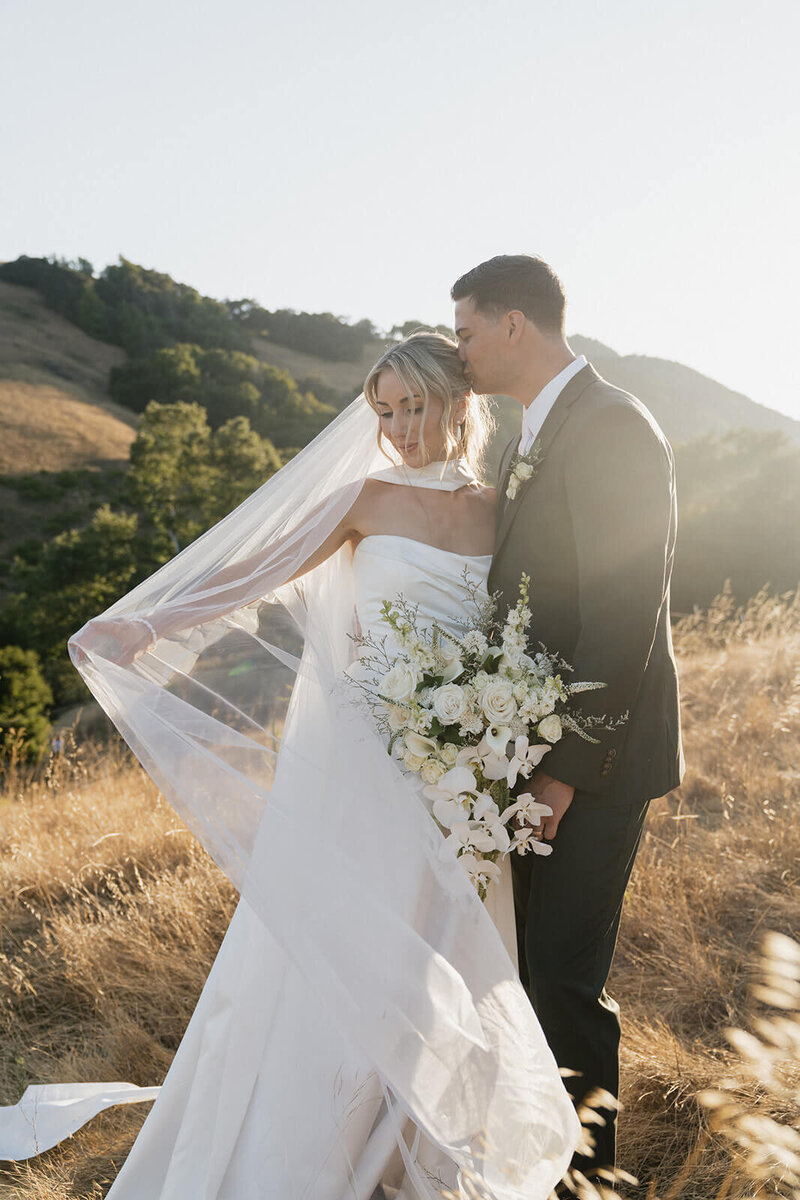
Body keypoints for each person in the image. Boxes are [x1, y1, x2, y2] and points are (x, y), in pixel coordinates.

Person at [0, 333, 580, 1199]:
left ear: (460, 402)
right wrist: (150, 623)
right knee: (356, 943)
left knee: (443, 951)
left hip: (465, 779)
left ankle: (419, 1142)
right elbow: (257, 570)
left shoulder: (506, 510)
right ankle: (316, 1145)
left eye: (413, 407)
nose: (399, 429)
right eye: (384, 412)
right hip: (366, 766)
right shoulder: (364, 497)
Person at [453, 255, 684, 1182]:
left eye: (467, 330)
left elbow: (627, 613)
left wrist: (561, 773)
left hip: (596, 762)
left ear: (516, 325)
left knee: (563, 980)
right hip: (529, 751)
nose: (459, 349)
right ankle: (540, 1163)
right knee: (524, 971)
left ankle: (591, 1182)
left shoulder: (615, 427)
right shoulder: (530, 434)